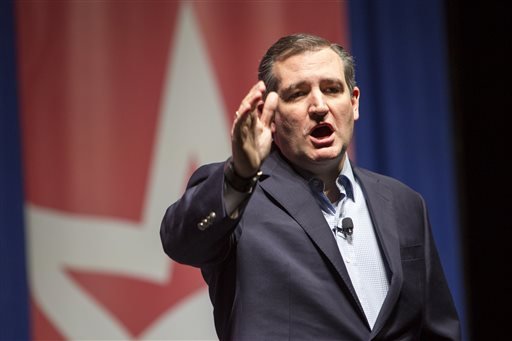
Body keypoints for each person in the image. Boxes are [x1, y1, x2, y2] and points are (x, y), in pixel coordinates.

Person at [160, 33, 460, 340]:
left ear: (354, 103)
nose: (319, 106)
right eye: (297, 94)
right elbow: (181, 242)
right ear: (270, 114)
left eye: (331, 89)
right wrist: (239, 175)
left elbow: (437, 329)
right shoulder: (240, 195)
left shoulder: (404, 202)